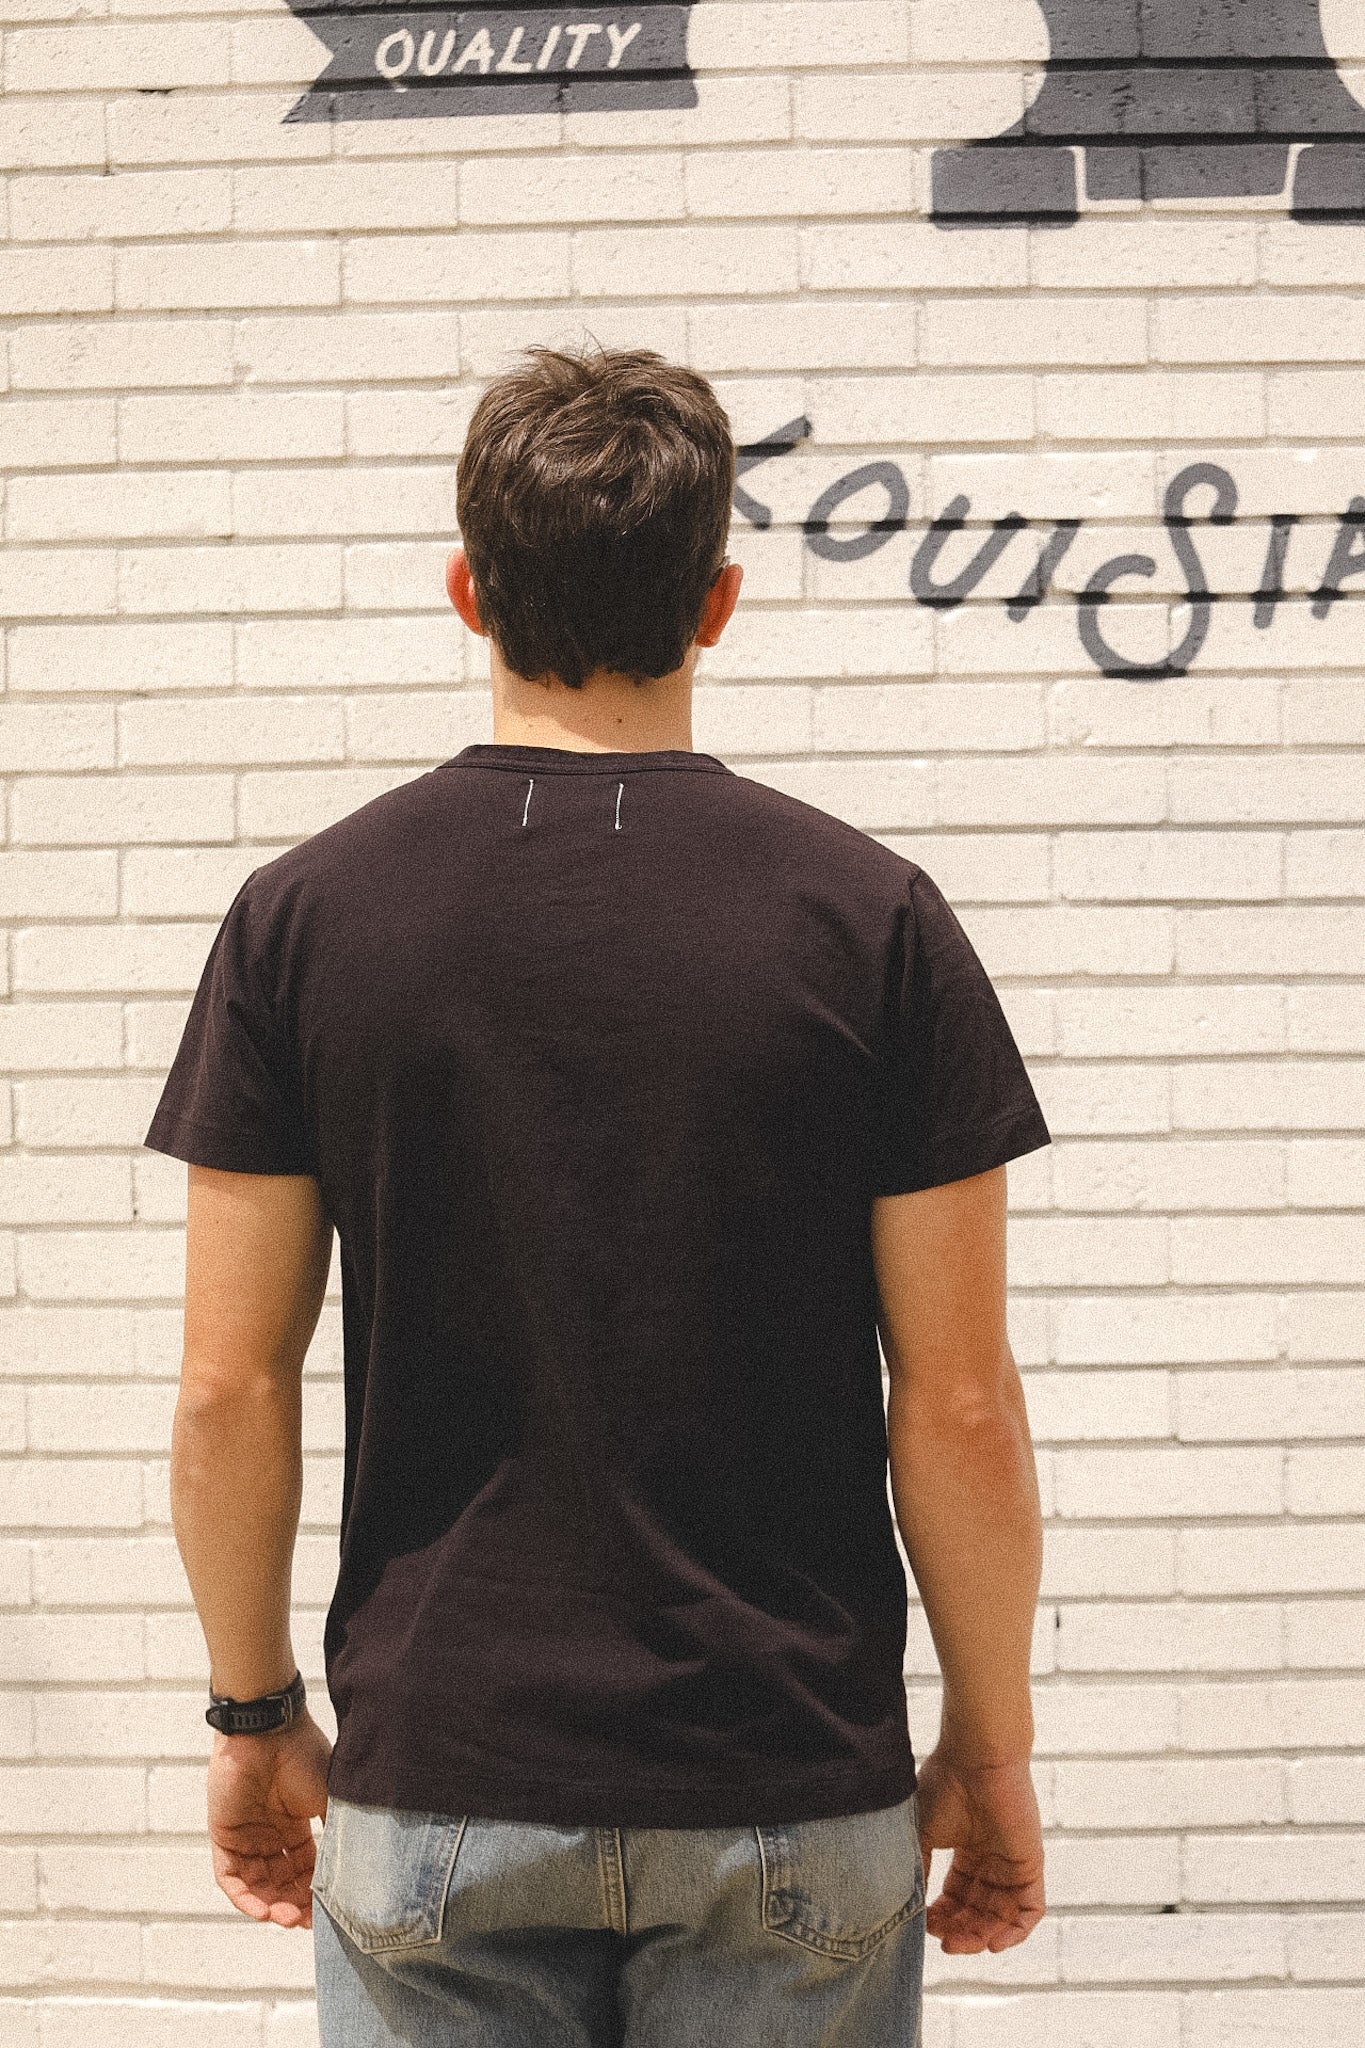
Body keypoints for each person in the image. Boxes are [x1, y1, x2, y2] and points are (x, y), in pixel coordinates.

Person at [145, 344, 1051, 2047]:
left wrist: (251, 1710)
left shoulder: (305, 920)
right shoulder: (871, 923)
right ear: (716, 604)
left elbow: (226, 1384)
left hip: (442, 1781)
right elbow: (958, 1405)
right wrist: (985, 1748)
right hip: (788, 1777)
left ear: (466, 590)